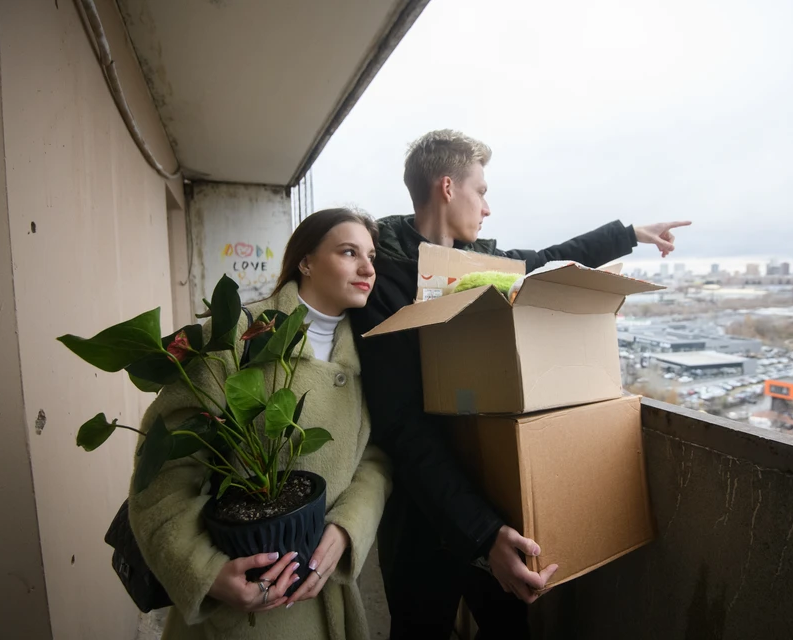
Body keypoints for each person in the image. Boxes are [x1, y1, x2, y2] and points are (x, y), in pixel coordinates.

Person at [349, 129, 691, 639]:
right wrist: (481, 532)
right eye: (481, 191)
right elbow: (401, 424)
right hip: (425, 509)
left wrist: (630, 234)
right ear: (448, 187)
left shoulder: (482, 265)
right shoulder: (383, 277)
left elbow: (552, 260)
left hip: (494, 493)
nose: (487, 207)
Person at [130, 208, 392, 640]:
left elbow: (374, 458)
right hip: (240, 609)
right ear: (305, 262)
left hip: (328, 597)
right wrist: (206, 572)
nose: (368, 268)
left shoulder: (371, 352)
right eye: (349, 252)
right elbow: (163, 472)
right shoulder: (236, 336)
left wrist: (348, 528)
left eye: (371, 256)